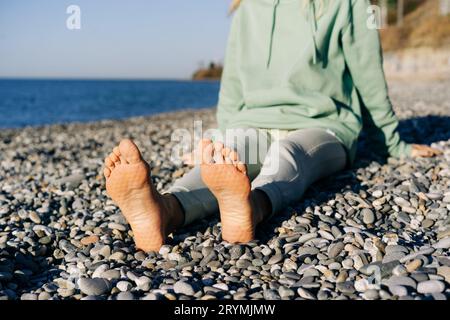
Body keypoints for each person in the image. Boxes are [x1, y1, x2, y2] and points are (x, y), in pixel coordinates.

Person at [103, 0, 442, 252]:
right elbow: (233, 82)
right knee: (233, 152)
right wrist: (219, 143)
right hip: (255, 120)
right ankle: (164, 210)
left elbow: (369, 76)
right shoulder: (248, 7)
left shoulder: (348, 4)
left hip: (323, 124)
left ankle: (251, 206)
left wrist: (391, 143)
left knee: (289, 153)